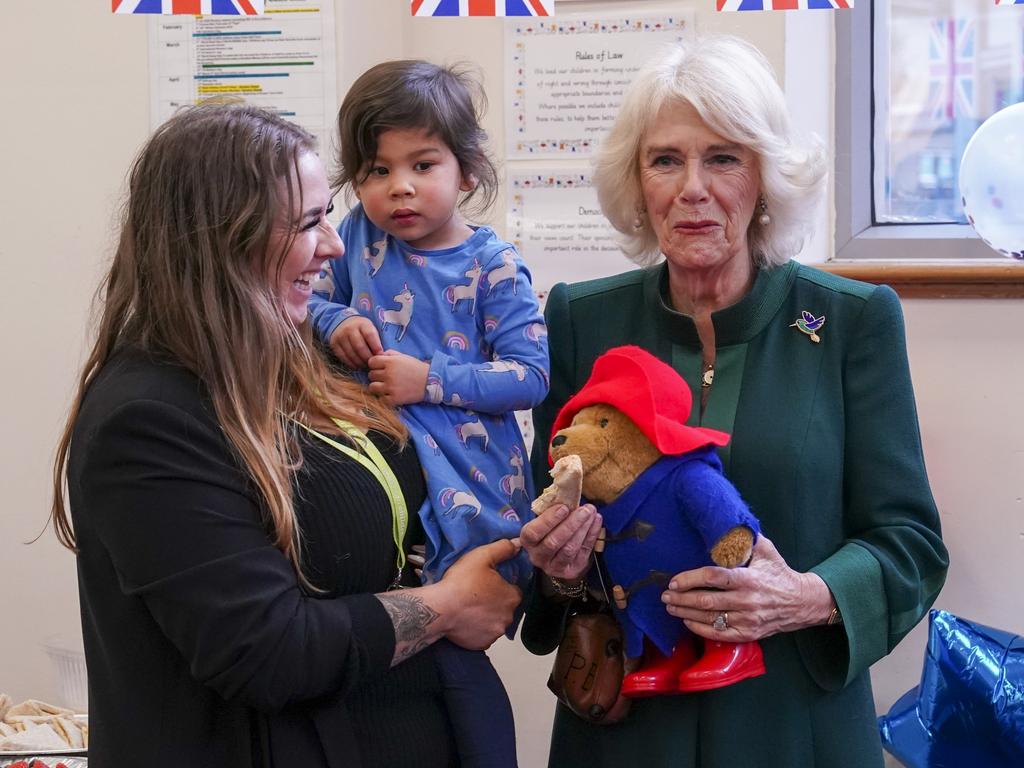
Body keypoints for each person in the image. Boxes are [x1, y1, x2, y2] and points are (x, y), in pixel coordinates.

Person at [519, 35, 949, 768]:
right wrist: (554, 570)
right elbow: (543, 527)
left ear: (765, 179)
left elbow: (909, 542)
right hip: (625, 729)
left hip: (792, 722)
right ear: (637, 181)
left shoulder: (852, 320)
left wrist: (808, 595)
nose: (693, 187)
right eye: (665, 160)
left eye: (723, 157)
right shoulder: (578, 320)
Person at [50, 103, 522, 768]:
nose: (334, 245)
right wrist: (445, 605)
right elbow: (269, 650)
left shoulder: (300, 362)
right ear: (225, 240)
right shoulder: (147, 417)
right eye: (308, 223)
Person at [308, 60, 548, 768]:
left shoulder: (494, 264)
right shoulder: (354, 237)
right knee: (401, 620)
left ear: (467, 172)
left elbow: (530, 375)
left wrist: (429, 379)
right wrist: (331, 323)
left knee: (462, 623)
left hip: (473, 477)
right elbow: (310, 301)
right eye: (377, 171)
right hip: (381, 466)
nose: (399, 187)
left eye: (422, 164)